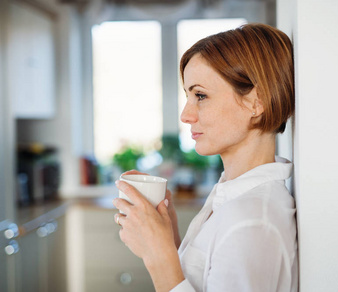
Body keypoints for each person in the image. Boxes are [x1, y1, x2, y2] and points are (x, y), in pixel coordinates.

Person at [112, 23, 297, 292]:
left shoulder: (252, 222)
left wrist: (157, 256)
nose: (186, 115)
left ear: (257, 102)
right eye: (188, 96)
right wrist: (170, 240)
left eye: (200, 95)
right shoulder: (232, 195)